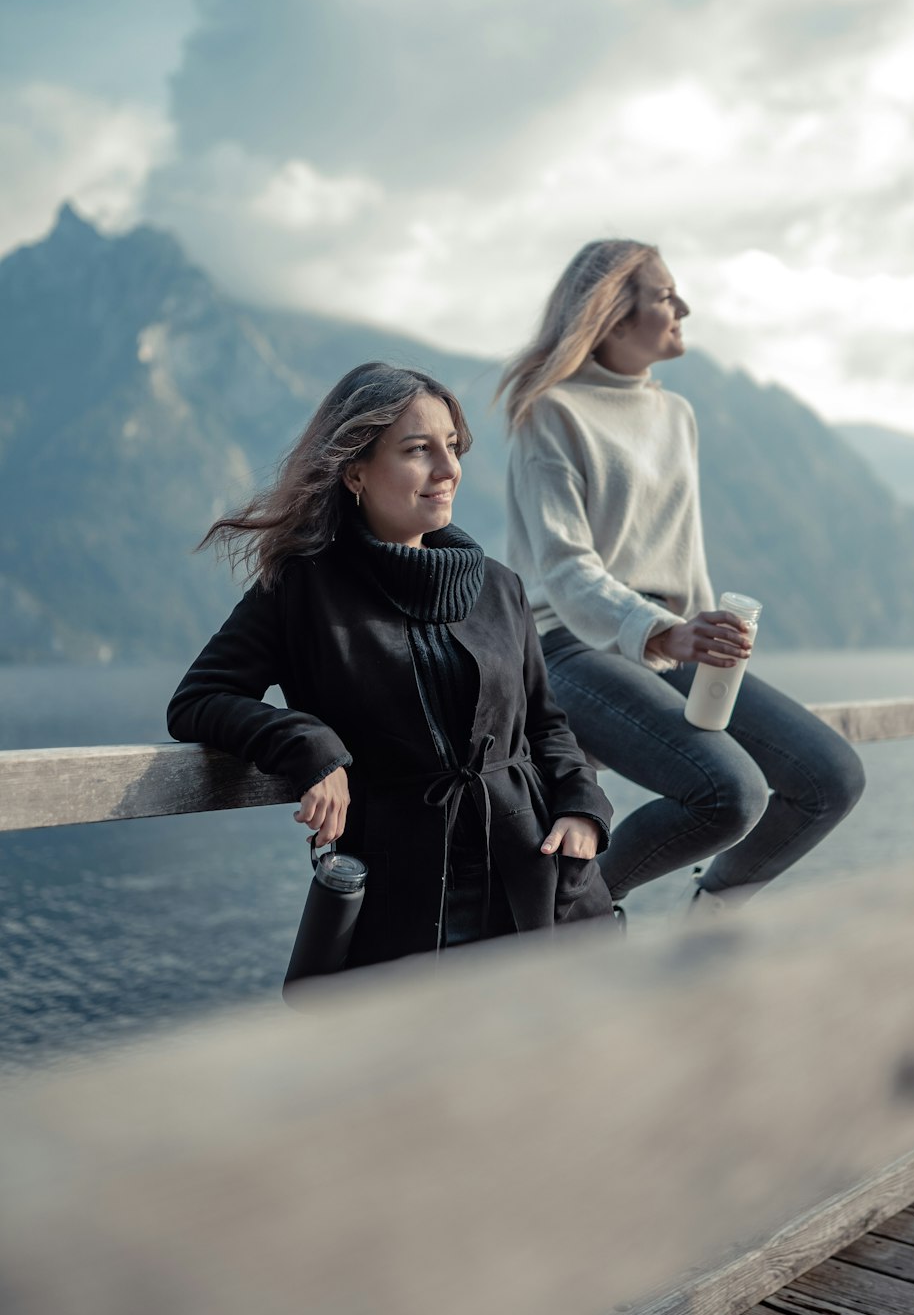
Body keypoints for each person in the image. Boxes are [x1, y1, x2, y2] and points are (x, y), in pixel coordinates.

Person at [167, 362, 614, 977]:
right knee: (411, 1067)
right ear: (355, 471)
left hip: (537, 880)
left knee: (550, 1065)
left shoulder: (499, 587)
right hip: (403, 898)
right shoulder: (302, 589)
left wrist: (583, 809)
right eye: (418, 450)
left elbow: (547, 722)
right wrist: (309, 744)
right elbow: (199, 699)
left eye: (451, 448)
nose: (447, 468)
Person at [499, 240, 865, 912]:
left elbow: (679, 551)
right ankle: (577, 909)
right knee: (732, 793)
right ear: (612, 317)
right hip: (570, 648)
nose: (683, 307)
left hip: (671, 643)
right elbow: (566, 568)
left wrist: (708, 632)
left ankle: (714, 910)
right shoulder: (549, 412)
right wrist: (667, 634)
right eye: (666, 295)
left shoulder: (678, 416)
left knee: (830, 777)